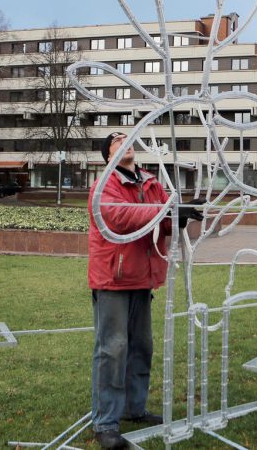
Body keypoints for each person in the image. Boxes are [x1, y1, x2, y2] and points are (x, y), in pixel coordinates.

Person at [88, 132, 203, 449]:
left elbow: (162, 224)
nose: (126, 141)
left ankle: (134, 408)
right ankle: (106, 422)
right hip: (113, 277)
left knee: (142, 346)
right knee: (112, 349)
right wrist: (165, 210)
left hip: (142, 277)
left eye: (128, 137)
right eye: (116, 140)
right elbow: (119, 216)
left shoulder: (151, 183)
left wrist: (177, 216)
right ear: (107, 155)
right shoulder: (104, 186)